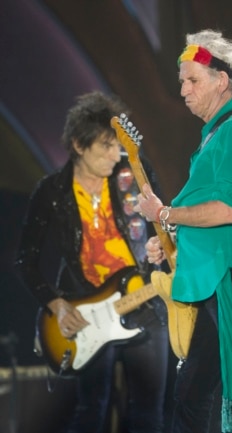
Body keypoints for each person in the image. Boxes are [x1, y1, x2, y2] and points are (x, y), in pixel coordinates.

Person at [133, 29, 232, 433]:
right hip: (222, 278)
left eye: (192, 79)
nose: (182, 90)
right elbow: (212, 211)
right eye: (182, 80)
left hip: (229, 279)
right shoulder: (221, 132)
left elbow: (225, 210)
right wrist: (174, 238)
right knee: (200, 393)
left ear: (222, 80)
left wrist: (165, 215)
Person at [14, 91, 169, 433]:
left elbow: (163, 227)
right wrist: (56, 304)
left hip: (144, 302)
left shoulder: (134, 176)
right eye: (106, 147)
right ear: (79, 146)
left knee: (148, 414)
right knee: (91, 411)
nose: (117, 155)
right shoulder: (52, 192)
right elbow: (26, 260)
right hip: (86, 312)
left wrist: (162, 244)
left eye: (118, 145)